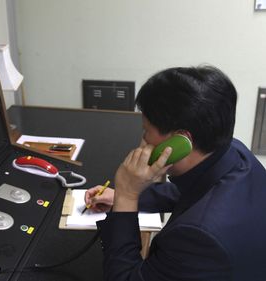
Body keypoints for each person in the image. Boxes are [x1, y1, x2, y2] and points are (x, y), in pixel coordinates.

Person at [84, 65, 266, 281]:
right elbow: (191, 191)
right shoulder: (233, 152)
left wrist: (127, 194)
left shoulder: (199, 237)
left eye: (147, 130)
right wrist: (126, 197)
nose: (143, 140)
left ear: (180, 141)